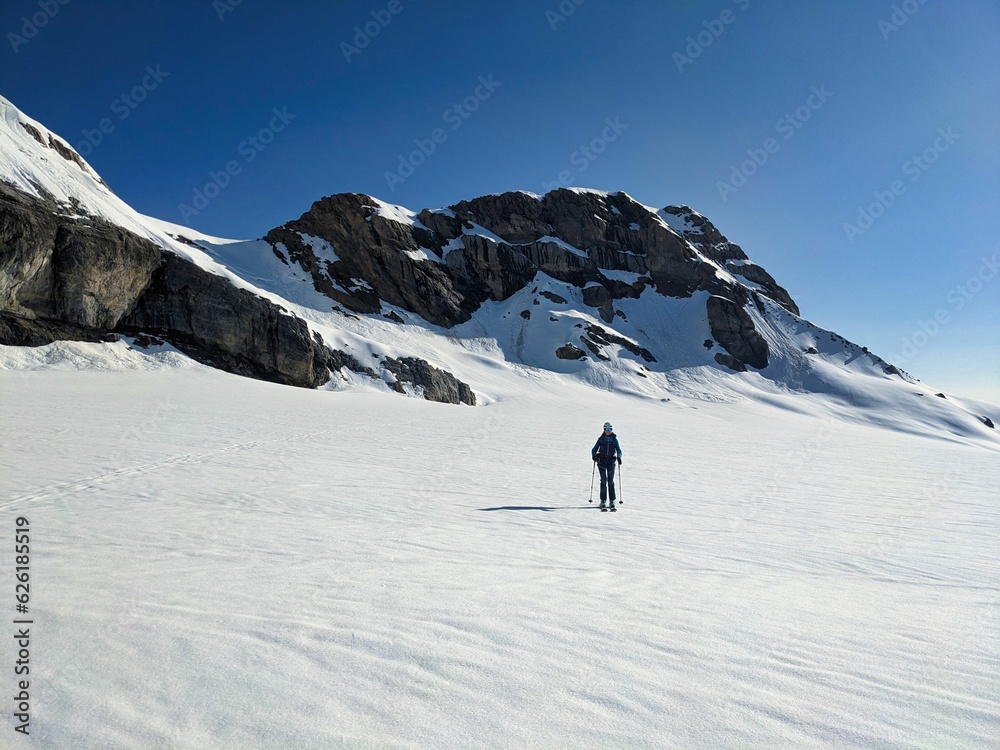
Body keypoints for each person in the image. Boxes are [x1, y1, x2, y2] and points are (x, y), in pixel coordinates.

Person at [592, 421, 622, 509]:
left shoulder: (614, 440)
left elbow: (619, 451)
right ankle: (603, 501)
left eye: (610, 429)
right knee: (603, 481)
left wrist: (619, 457)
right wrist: (594, 456)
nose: (608, 431)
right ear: (604, 430)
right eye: (606, 429)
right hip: (602, 461)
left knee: (610, 481)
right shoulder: (601, 439)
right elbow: (594, 449)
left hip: (611, 462)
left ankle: (612, 501)